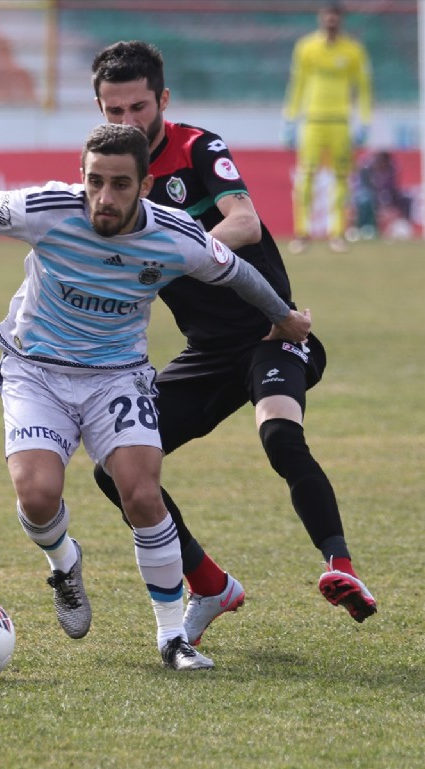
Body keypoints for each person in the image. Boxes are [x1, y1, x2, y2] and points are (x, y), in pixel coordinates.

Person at [0, 124, 312, 671]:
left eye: (120, 185)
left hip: (117, 376)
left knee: (142, 494)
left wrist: (283, 317)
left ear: (144, 187)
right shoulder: (46, 207)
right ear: (81, 177)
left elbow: (238, 273)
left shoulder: (176, 233)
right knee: (38, 496)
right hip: (35, 371)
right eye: (95, 181)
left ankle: (171, 638)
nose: (104, 197)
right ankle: (64, 564)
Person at [90, 41, 377, 647]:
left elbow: (244, 220)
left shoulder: (198, 147)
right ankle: (211, 584)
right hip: (207, 354)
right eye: (112, 112)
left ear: (162, 101)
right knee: (115, 469)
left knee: (279, 434)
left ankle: (342, 570)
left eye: (137, 108)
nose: (125, 123)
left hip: (272, 330)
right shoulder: (109, 177)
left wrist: (173, 255)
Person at [282, 2, 373, 254]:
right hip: (312, 120)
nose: (331, 20)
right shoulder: (306, 47)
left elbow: (363, 89)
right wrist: (290, 118)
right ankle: (302, 233)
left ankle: (338, 233)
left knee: (342, 177)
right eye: (327, 15)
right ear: (321, 17)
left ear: (340, 19)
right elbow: (297, 84)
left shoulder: (353, 51)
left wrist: (364, 121)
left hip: (340, 122)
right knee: (307, 175)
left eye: (335, 16)